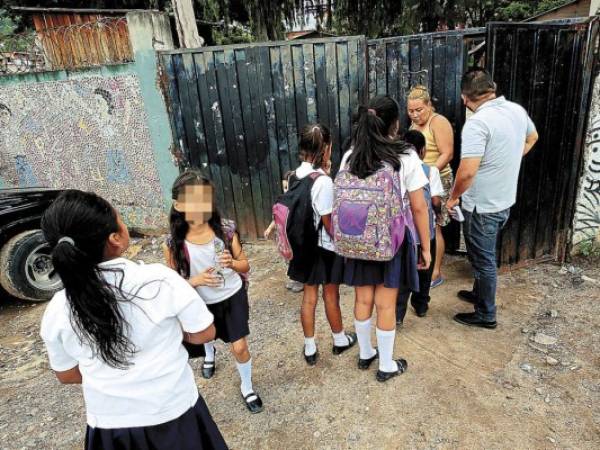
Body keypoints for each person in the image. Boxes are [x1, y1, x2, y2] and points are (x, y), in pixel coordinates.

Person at [39, 190, 227, 450]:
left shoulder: (57, 308)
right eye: (121, 219)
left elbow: (67, 374)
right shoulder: (160, 280)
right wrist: (175, 335)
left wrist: (112, 374)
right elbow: (205, 333)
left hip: (108, 427)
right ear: (115, 238)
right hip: (174, 414)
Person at [338, 96, 431, 382]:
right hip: (392, 240)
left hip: (358, 239)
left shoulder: (351, 154)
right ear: (395, 123)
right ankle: (386, 364)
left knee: (362, 297)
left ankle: (366, 352)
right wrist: (425, 247)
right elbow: (418, 207)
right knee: (386, 304)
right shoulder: (405, 155)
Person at [164, 170, 263, 414]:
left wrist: (232, 263)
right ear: (179, 205)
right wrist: (195, 280)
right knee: (207, 335)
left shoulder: (226, 231)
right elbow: (174, 285)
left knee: (239, 346)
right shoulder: (173, 243)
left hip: (232, 296)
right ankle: (210, 353)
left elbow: (245, 265)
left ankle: (247, 387)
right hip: (200, 302)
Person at [447, 68, 538, 329]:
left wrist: (453, 198)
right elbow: (533, 137)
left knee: (483, 260)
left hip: (482, 206)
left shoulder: (478, 123)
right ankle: (479, 294)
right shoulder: (516, 110)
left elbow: (466, 172)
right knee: (482, 253)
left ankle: (486, 313)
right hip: (504, 200)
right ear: (493, 87)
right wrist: (508, 161)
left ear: (465, 98)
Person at [285, 123, 357, 366]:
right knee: (331, 294)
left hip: (303, 248)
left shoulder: (294, 174)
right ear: (326, 149)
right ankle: (339, 340)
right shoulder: (323, 182)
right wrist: (344, 243)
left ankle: (310, 347)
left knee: (308, 298)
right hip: (323, 249)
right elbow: (328, 221)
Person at [407, 85, 455, 288]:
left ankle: (435, 272)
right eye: (411, 111)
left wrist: (428, 173)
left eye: (419, 110)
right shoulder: (413, 124)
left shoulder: (439, 122)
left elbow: (447, 153)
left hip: (438, 179)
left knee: (435, 226)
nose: (415, 114)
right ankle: (422, 265)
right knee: (420, 225)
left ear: (429, 105)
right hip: (419, 180)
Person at [396, 130, 444, 324]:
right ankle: (421, 305)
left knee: (402, 277)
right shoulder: (430, 171)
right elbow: (435, 200)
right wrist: (439, 212)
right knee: (425, 271)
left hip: (403, 233)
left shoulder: (396, 168)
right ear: (423, 150)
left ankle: (398, 315)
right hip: (425, 233)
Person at [264, 170, 304, 293]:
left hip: (294, 237)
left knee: (297, 257)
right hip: (284, 238)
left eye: (288, 187)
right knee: (288, 258)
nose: (286, 190)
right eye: (284, 187)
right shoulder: (283, 201)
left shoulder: (299, 202)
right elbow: (277, 218)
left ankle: (301, 280)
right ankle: (294, 278)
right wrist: (270, 228)